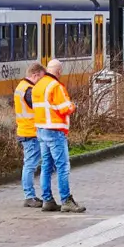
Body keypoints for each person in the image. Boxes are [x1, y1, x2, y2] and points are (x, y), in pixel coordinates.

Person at [34, 58, 84, 213]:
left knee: (46, 167)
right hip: (55, 131)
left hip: (41, 130)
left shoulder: (38, 85)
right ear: (59, 71)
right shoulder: (55, 86)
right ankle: (66, 200)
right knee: (63, 166)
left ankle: (47, 200)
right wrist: (73, 105)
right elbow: (65, 108)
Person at [14, 61, 45, 208]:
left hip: (26, 130)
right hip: (30, 132)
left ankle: (30, 195)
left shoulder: (22, 87)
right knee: (30, 165)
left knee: (30, 164)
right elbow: (38, 107)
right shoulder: (29, 90)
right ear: (35, 75)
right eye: (41, 78)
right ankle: (29, 196)